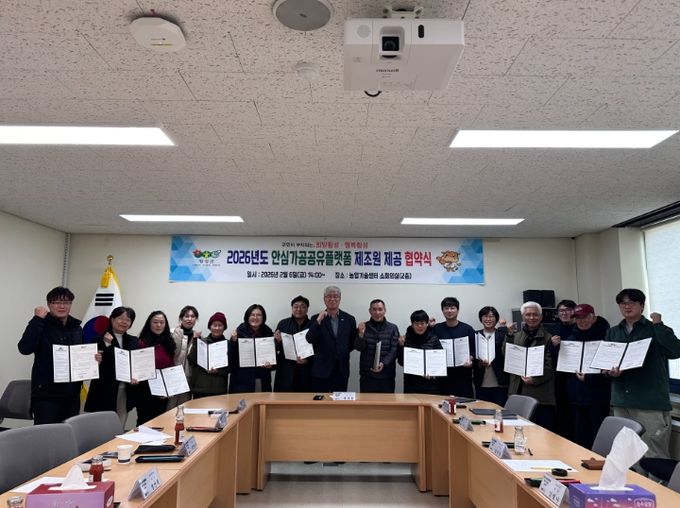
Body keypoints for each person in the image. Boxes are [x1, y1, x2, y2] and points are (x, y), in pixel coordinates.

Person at [603, 288, 680, 459]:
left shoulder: (655, 328)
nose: (627, 306)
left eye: (632, 302)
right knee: (627, 453)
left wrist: (659, 325)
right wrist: (609, 372)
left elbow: (675, 351)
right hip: (622, 400)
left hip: (649, 400)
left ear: (642, 305)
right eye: (622, 303)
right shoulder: (613, 331)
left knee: (653, 453)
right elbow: (607, 362)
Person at [18, 286, 95, 425]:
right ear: (49, 304)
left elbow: (80, 355)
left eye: (66, 302)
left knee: (68, 432)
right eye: (57, 302)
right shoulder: (40, 324)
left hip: (71, 394)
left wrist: (92, 360)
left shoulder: (77, 328)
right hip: (46, 394)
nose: (62, 306)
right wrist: (37, 319)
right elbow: (24, 348)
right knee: (46, 434)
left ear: (71, 304)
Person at [552, 304, 610, 450]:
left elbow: (608, 371)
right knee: (580, 439)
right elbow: (561, 366)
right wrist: (555, 348)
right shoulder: (571, 339)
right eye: (578, 318)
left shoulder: (605, 337)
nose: (581, 321)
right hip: (576, 398)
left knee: (599, 440)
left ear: (593, 317)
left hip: (598, 398)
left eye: (585, 317)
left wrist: (589, 378)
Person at [504, 301, 558, 430]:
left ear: (541, 317)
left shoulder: (549, 338)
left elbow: (550, 365)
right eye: (528, 315)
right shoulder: (516, 335)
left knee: (540, 432)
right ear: (522, 316)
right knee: (517, 431)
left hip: (540, 394)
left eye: (535, 314)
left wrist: (535, 379)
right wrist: (509, 336)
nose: (532, 318)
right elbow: (506, 356)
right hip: (517, 390)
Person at [84, 306, 140, 426]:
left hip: (125, 389)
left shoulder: (134, 341)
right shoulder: (98, 339)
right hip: (104, 390)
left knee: (120, 424)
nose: (124, 322)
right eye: (120, 318)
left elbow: (136, 363)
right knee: (103, 426)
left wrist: (137, 375)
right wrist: (107, 345)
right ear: (112, 319)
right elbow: (96, 365)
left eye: (128, 320)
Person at [306, 286, 357, 392]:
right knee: (320, 399)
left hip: (341, 368)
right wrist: (319, 320)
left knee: (339, 400)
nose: (332, 299)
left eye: (335, 296)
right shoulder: (316, 318)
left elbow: (352, 342)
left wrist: (341, 350)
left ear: (340, 299)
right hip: (321, 369)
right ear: (324, 299)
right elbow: (310, 339)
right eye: (329, 296)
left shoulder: (349, 319)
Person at [135, 310, 177, 425]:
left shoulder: (168, 342)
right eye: (155, 322)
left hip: (162, 392)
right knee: (145, 422)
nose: (159, 325)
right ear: (149, 324)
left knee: (160, 423)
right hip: (145, 391)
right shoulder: (141, 343)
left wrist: (169, 389)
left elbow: (170, 366)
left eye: (162, 322)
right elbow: (138, 367)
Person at [432, 297, 475, 397]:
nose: (449, 311)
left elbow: (474, 350)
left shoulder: (467, 329)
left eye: (452, 308)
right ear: (442, 311)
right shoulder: (436, 329)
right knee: (442, 404)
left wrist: (471, 358)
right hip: (442, 378)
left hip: (463, 377)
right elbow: (430, 349)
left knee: (464, 404)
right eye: (446, 308)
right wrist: (429, 326)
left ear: (458, 310)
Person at [354, 299, 400, 393]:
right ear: (370, 311)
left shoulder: (393, 328)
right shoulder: (363, 327)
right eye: (374, 309)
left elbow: (394, 349)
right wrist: (361, 334)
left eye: (380, 309)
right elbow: (358, 348)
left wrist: (384, 363)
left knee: (386, 401)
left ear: (385, 310)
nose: (377, 312)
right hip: (367, 375)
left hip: (387, 375)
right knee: (367, 402)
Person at [229, 304, 274, 393]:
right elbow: (230, 359)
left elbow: (274, 359)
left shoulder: (268, 334)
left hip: (261, 380)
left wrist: (271, 365)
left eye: (259, 315)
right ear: (247, 317)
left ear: (263, 318)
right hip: (240, 381)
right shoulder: (238, 333)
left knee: (261, 401)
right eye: (252, 315)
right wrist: (233, 341)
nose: (255, 318)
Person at [273, 296, 313, 392]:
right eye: (296, 306)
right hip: (286, 369)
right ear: (292, 308)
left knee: (304, 398)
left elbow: (318, 347)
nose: (299, 309)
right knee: (283, 398)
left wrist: (307, 361)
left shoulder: (312, 325)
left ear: (307, 309)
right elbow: (276, 348)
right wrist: (277, 341)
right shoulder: (283, 323)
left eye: (302, 306)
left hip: (306, 370)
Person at [398, 310, 442, 395]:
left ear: (427, 324)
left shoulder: (434, 338)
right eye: (416, 323)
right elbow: (401, 362)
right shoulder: (405, 339)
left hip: (430, 384)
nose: (419, 326)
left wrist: (432, 372)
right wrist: (401, 346)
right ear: (412, 325)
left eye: (422, 323)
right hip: (411, 384)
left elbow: (440, 360)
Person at [550, 299, 577, 441]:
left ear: (574, 311)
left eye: (568, 310)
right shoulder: (554, 329)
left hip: (578, 376)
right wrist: (553, 345)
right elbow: (549, 355)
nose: (564, 313)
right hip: (559, 376)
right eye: (561, 311)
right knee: (561, 410)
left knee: (576, 412)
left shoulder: (580, 326)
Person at [472, 306, 509, 406]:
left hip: (500, 383)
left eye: (491, 316)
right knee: (481, 411)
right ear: (481, 318)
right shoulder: (475, 335)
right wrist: (479, 364)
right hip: (481, 382)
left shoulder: (502, 334)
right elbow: (471, 355)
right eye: (485, 316)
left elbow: (507, 354)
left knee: (500, 411)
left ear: (496, 319)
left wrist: (504, 329)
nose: (488, 319)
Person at [188, 312, 229, 399]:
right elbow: (191, 360)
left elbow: (232, 367)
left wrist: (218, 371)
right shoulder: (201, 342)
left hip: (219, 390)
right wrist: (195, 341)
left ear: (224, 327)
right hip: (200, 389)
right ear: (210, 327)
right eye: (214, 325)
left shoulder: (228, 344)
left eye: (220, 325)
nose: (217, 328)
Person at [169, 305, 201, 408]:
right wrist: (177, 334)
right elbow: (173, 353)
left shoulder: (198, 337)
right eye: (186, 316)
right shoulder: (171, 333)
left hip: (188, 378)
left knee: (184, 408)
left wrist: (196, 340)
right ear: (181, 318)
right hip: (172, 376)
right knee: (168, 408)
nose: (189, 319)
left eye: (192, 316)